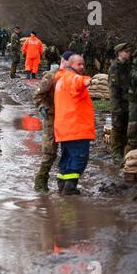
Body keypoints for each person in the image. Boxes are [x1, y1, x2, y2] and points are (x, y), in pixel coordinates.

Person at [34, 51, 75, 192]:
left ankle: (63, 183)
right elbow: (38, 95)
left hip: (68, 118)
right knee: (50, 151)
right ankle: (41, 181)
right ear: (63, 61)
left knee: (68, 151)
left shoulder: (73, 76)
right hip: (52, 116)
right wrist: (42, 107)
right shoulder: (52, 76)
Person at [54, 55, 94, 195]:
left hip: (65, 129)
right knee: (79, 158)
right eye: (79, 64)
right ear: (71, 65)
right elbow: (77, 81)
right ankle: (69, 189)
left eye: (83, 64)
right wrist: (88, 80)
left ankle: (62, 186)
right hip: (76, 129)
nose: (82, 67)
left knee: (66, 158)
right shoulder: (71, 78)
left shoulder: (61, 79)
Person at [108, 43, 132, 164]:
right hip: (119, 103)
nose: (128, 53)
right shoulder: (115, 68)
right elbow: (114, 90)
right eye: (126, 52)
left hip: (129, 103)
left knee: (127, 128)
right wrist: (116, 108)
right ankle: (116, 154)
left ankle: (124, 152)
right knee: (118, 128)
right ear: (120, 53)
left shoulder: (128, 66)